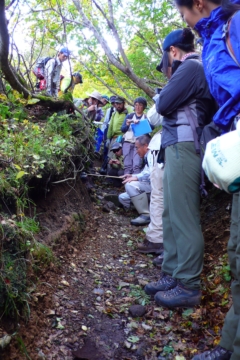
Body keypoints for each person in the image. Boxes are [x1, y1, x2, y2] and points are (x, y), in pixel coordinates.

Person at [173, 1, 240, 359]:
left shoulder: (235, 26)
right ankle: (229, 346)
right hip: (234, 142)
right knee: (236, 253)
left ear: (198, 3)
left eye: (184, 12)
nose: (185, 21)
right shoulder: (216, 35)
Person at [144, 28, 215, 308]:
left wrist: (162, 95)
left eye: (165, 59)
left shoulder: (190, 67)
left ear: (173, 51)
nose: (165, 67)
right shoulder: (192, 69)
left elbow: (162, 105)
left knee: (183, 216)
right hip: (176, 148)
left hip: (187, 148)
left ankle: (188, 284)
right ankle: (172, 273)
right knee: (171, 214)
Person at [119, 134, 152, 226]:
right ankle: (146, 208)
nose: (136, 151)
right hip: (148, 187)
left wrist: (136, 178)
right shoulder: (147, 156)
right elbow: (145, 173)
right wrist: (132, 175)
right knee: (122, 197)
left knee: (130, 185)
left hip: (156, 188)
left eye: (137, 148)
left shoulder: (152, 154)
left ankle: (146, 215)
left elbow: (151, 172)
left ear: (145, 145)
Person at [121, 97, 148, 175]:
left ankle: (135, 183)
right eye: (136, 105)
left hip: (139, 143)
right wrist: (127, 124)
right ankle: (127, 183)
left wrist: (141, 124)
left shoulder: (146, 117)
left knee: (137, 165)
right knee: (127, 165)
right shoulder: (130, 116)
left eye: (140, 105)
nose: (138, 107)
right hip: (128, 142)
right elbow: (122, 129)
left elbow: (151, 128)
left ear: (144, 106)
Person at [99, 96, 117, 175]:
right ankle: (103, 167)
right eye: (112, 103)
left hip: (116, 134)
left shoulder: (122, 112)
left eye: (114, 103)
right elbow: (105, 122)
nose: (113, 104)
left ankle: (108, 168)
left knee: (113, 151)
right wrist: (103, 134)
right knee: (106, 150)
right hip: (108, 131)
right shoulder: (109, 110)